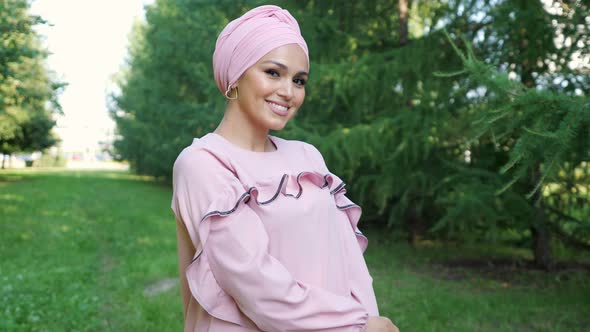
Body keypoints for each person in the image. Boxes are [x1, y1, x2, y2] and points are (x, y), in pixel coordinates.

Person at [171, 5, 399, 332]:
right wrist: (357, 325)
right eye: (273, 73)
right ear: (234, 76)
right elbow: (254, 283)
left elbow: (350, 263)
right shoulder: (203, 164)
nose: (288, 92)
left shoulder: (308, 157)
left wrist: (369, 319)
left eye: (299, 80)